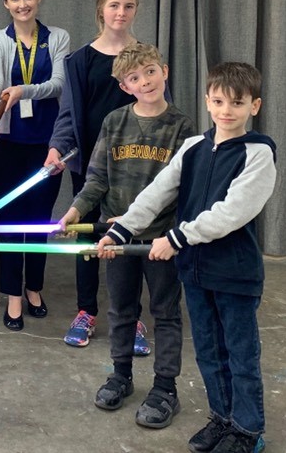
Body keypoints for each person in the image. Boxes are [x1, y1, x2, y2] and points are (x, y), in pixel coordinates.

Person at [97, 62, 275, 453]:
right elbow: (158, 192)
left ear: (254, 105)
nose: (226, 111)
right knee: (209, 351)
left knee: (240, 354)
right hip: (195, 271)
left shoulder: (258, 154)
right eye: (217, 101)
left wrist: (175, 238)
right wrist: (121, 228)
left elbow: (231, 213)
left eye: (237, 103)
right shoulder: (194, 147)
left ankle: (247, 431)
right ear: (207, 102)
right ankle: (222, 419)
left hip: (235, 274)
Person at [59, 43, 195, 429]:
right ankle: (121, 375)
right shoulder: (115, 122)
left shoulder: (182, 127)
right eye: (135, 77)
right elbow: (97, 177)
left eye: (150, 72)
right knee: (121, 309)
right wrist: (76, 211)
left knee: (166, 312)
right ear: (124, 85)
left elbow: (181, 188)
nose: (145, 81)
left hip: (160, 240)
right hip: (115, 238)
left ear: (164, 71)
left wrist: (146, 224)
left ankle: (165, 387)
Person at [44, 0, 152, 352]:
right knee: (87, 239)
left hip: (137, 171)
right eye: (114, 6)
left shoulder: (147, 59)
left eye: (128, 6)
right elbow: (69, 113)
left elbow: (161, 109)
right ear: (101, 10)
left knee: (129, 239)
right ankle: (86, 311)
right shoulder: (79, 60)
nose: (120, 13)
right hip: (91, 168)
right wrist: (58, 147)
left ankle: (130, 316)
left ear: (136, 10)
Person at [0, 0, 70, 331]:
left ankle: (34, 289)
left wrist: (23, 91)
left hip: (47, 146)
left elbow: (59, 85)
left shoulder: (57, 38)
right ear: (6, 3)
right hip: (5, 146)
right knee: (10, 222)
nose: (22, 4)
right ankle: (12, 297)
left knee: (39, 220)